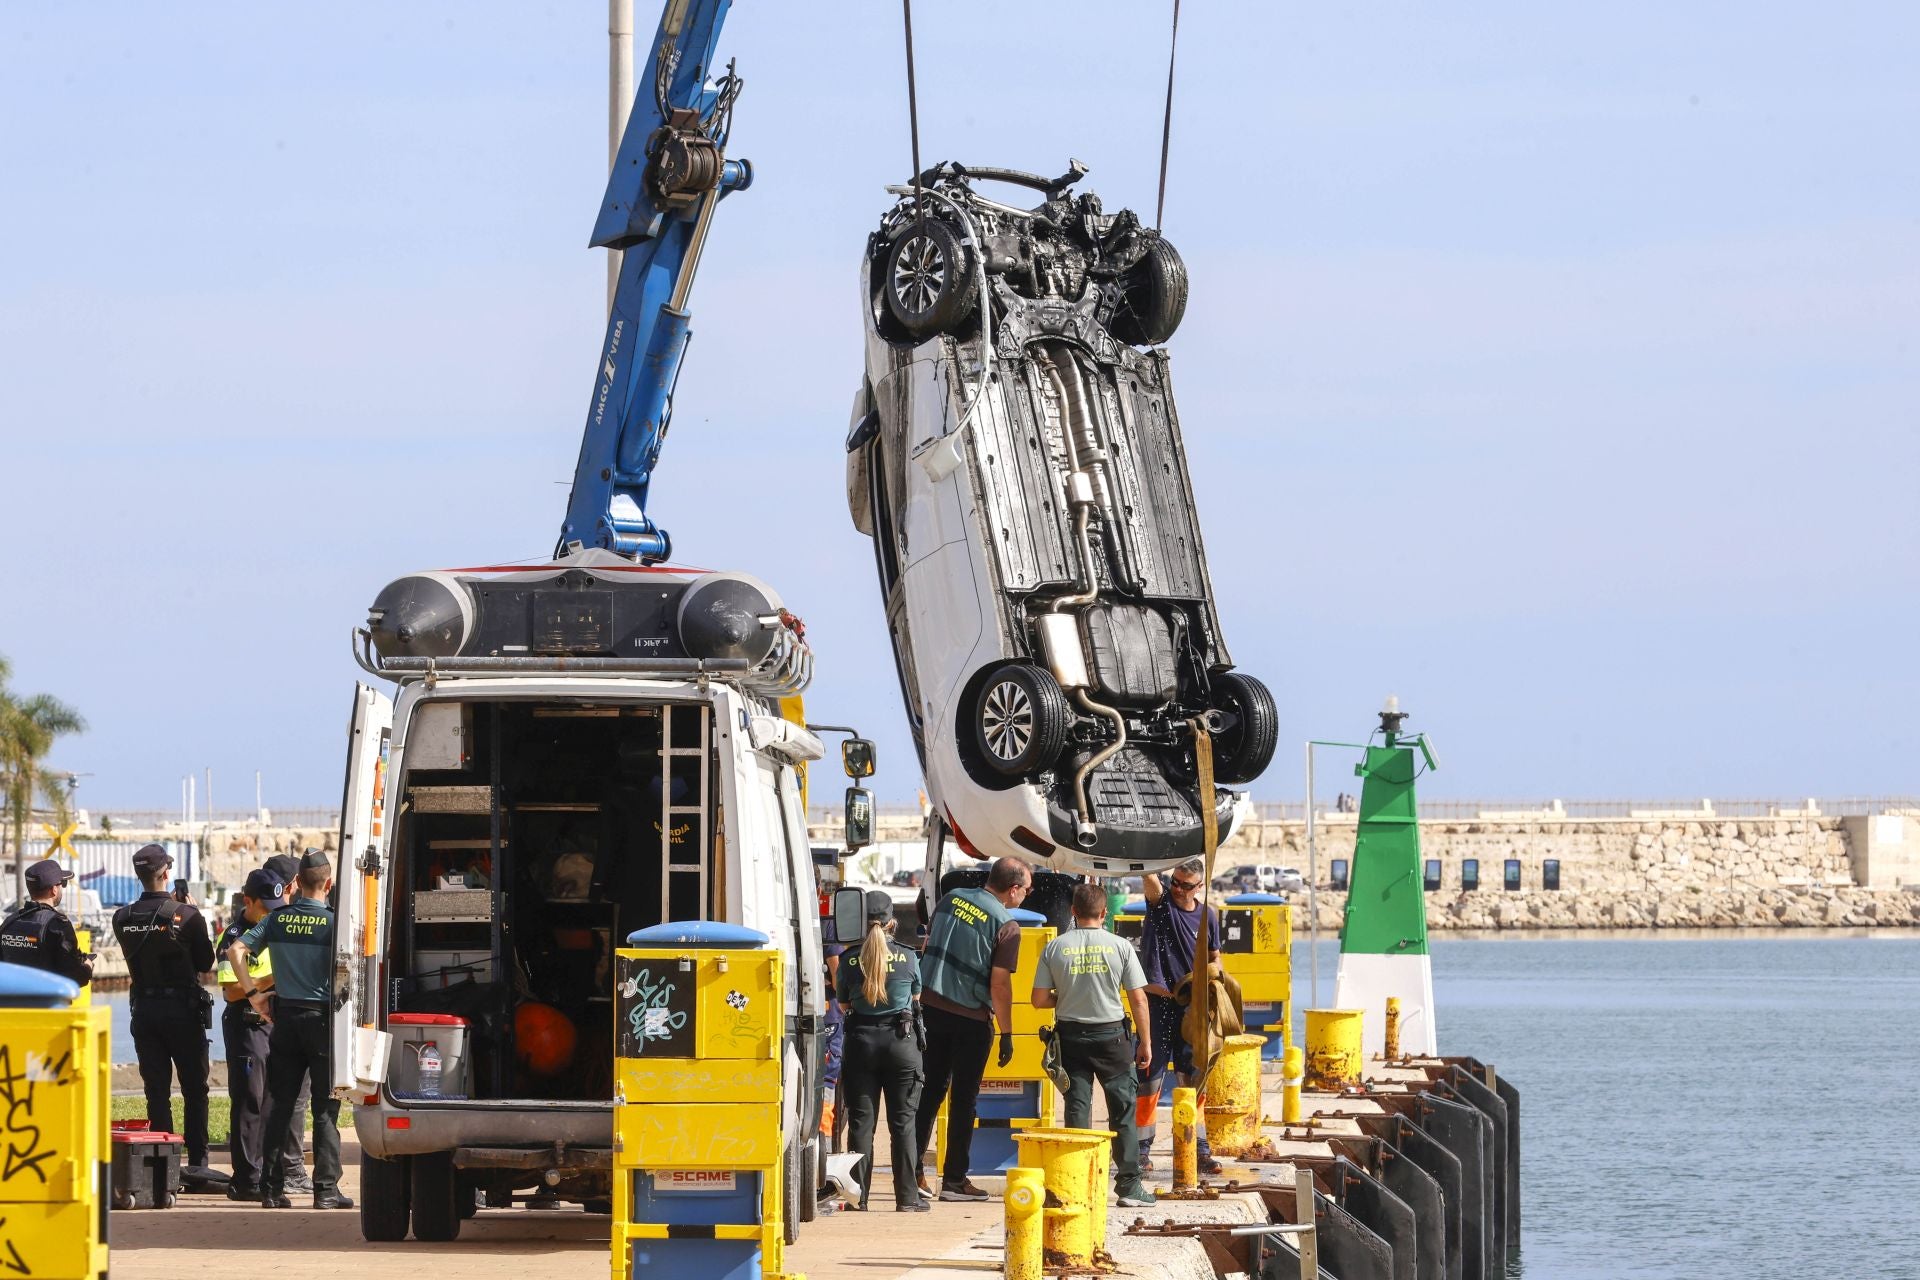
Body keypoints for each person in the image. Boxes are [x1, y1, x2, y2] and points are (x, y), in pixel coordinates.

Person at [227, 848, 353, 1210]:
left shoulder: (277, 919)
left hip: (284, 1020)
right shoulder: (333, 923)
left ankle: (271, 1189)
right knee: (325, 1109)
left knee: (280, 1105)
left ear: (296, 883)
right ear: (328, 883)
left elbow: (237, 951)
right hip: (322, 1021)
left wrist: (253, 995)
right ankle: (326, 1190)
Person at [914, 855, 1030, 1202]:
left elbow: (928, 945)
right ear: (1013, 890)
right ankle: (954, 1180)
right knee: (964, 1100)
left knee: (928, 1094)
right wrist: (1007, 1033)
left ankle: (912, 1171)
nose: (1025, 896)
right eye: (1025, 890)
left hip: (930, 1012)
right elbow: (1000, 985)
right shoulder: (1006, 926)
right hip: (970, 1020)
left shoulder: (951, 900)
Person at [1032, 882, 1156, 1206]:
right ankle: (1129, 1187)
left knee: (1077, 1108)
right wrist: (1145, 1042)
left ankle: (1075, 1186)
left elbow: (1039, 999)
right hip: (1112, 1040)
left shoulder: (1055, 948)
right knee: (1123, 1110)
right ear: (1104, 913)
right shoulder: (1120, 947)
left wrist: (1066, 995)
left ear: (1073, 911)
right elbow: (1138, 999)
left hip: (1071, 1038)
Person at [111, 843, 216, 1171]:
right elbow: (206, 961)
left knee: (156, 1090)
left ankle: (162, 1166)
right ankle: (197, 1161)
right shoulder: (185, 916)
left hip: (144, 1011)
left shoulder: (121, 917)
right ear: (166, 874)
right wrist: (191, 914)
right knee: (194, 1090)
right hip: (183, 1011)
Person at [215, 868, 313, 1201]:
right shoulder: (233, 935)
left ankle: (269, 1175)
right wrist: (273, 978)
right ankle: (246, 1179)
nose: (272, 913)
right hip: (247, 1026)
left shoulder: (272, 926)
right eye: (266, 906)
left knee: (275, 1103)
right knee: (249, 1102)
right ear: (248, 901)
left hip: (275, 1025)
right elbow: (230, 991)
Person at [835, 889, 927, 1212]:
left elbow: (843, 1002)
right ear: (892, 922)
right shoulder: (908, 956)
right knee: (904, 1123)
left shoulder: (848, 959)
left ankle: (857, 1197)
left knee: (861, 1123)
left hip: (861, 1043)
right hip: (901, 1044)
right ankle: (907, 1198)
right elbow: (916, 998)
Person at [1137, 857, 1223, 1175]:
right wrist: (1143, 860)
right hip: (1157, 1006)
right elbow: (1151, 885)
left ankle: (1196, 1149)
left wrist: (1218, 991)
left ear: (1199, 887)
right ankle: (1140, 1152)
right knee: (1149, 1079)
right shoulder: (1161, 907)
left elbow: (1215, 958)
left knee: (1192, 1081)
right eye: (1174, 882)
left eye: (1185, 886)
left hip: (1192, 1009)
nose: (1178, 889)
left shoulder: (1207, 917)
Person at [1, 858, 95, 984]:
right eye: (62, 884)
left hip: (10, 1001)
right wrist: (87, 966)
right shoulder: (57, 924)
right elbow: (74, 977)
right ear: (54, 890)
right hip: (46, 1002)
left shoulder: (9, 921)